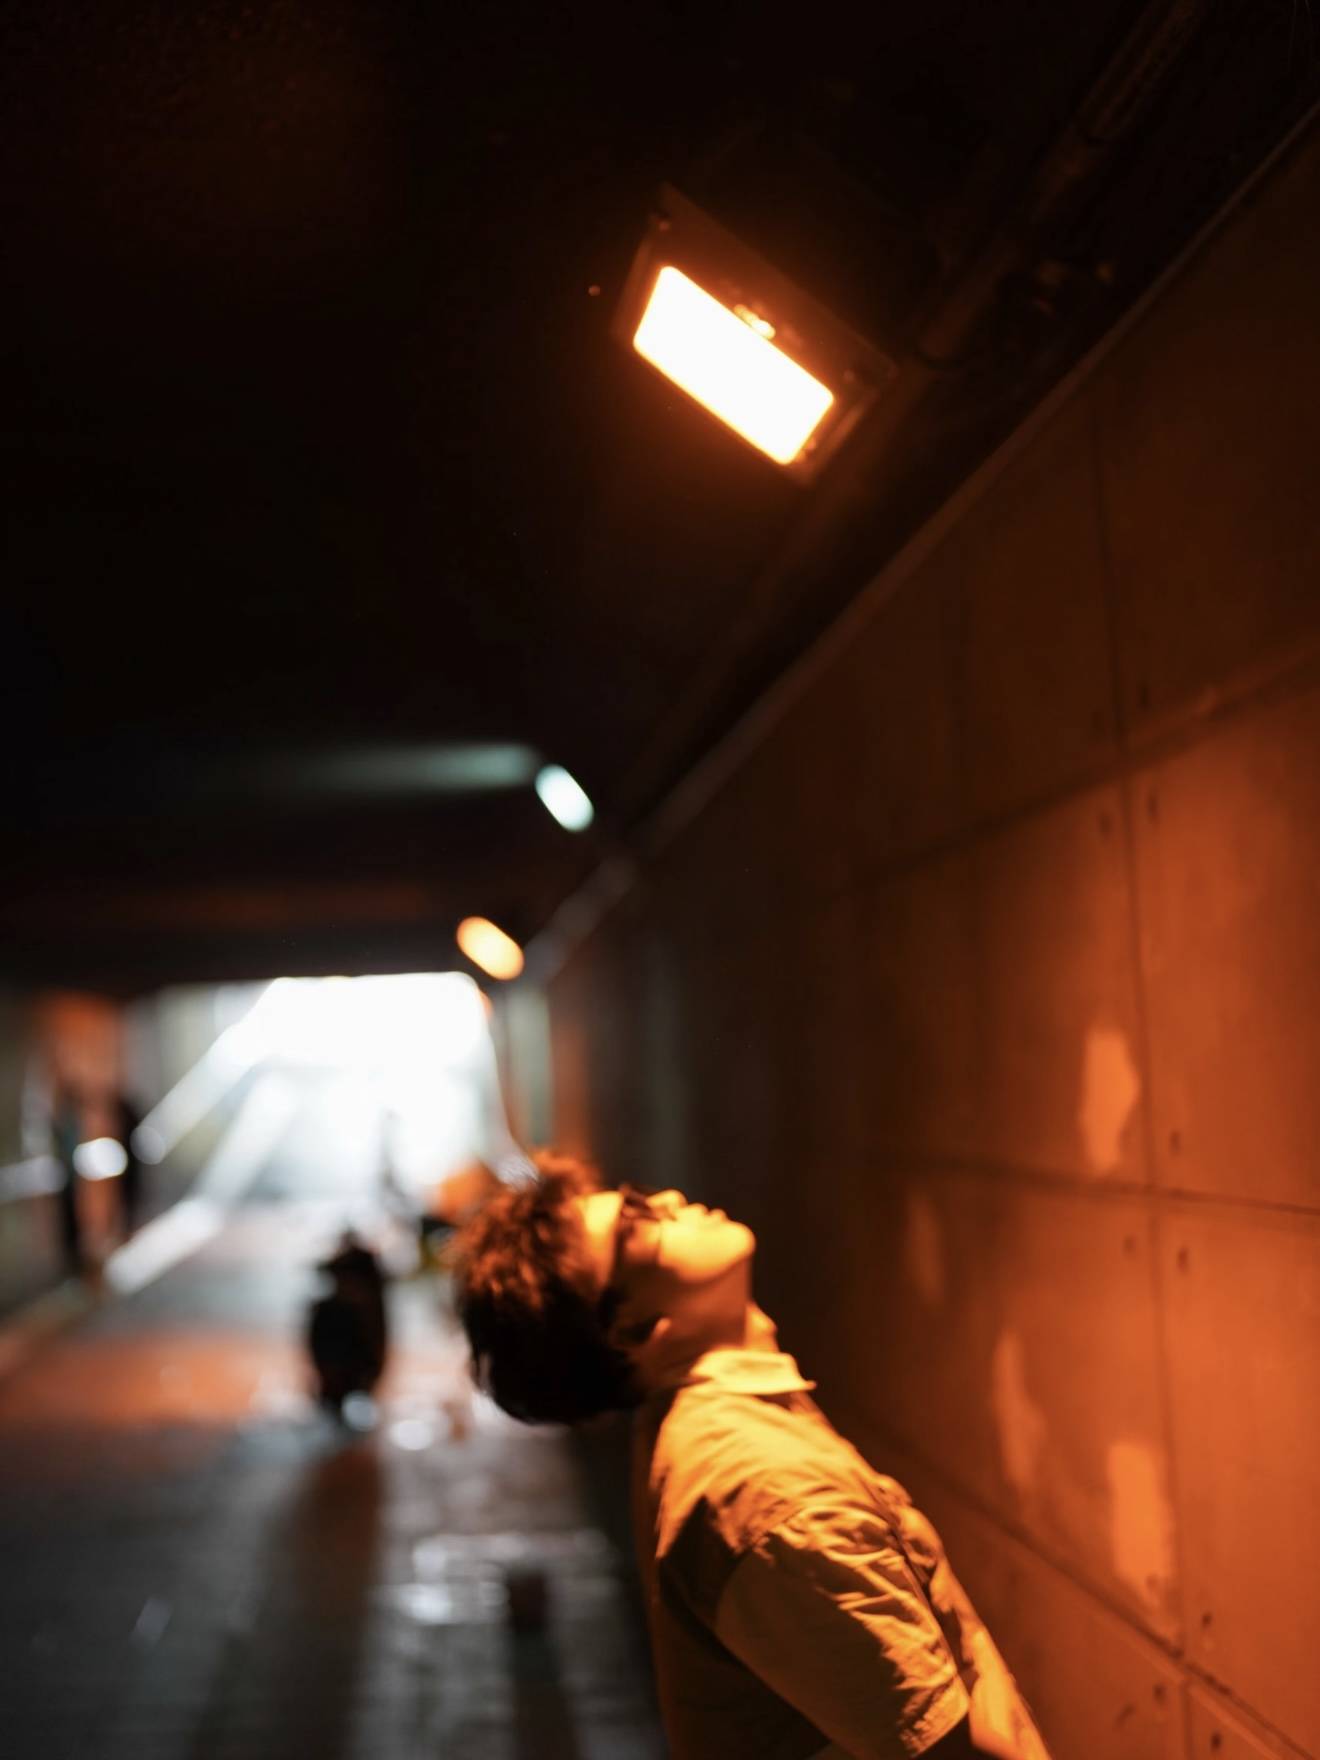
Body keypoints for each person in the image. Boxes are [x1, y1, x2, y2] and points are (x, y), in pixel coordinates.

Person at [455, 1156, 1052, 1760]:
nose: (668, 1200)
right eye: (636, 1225)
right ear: (634, 1331)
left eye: (642, 1196)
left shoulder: (712, 1426)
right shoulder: (768, 1490)